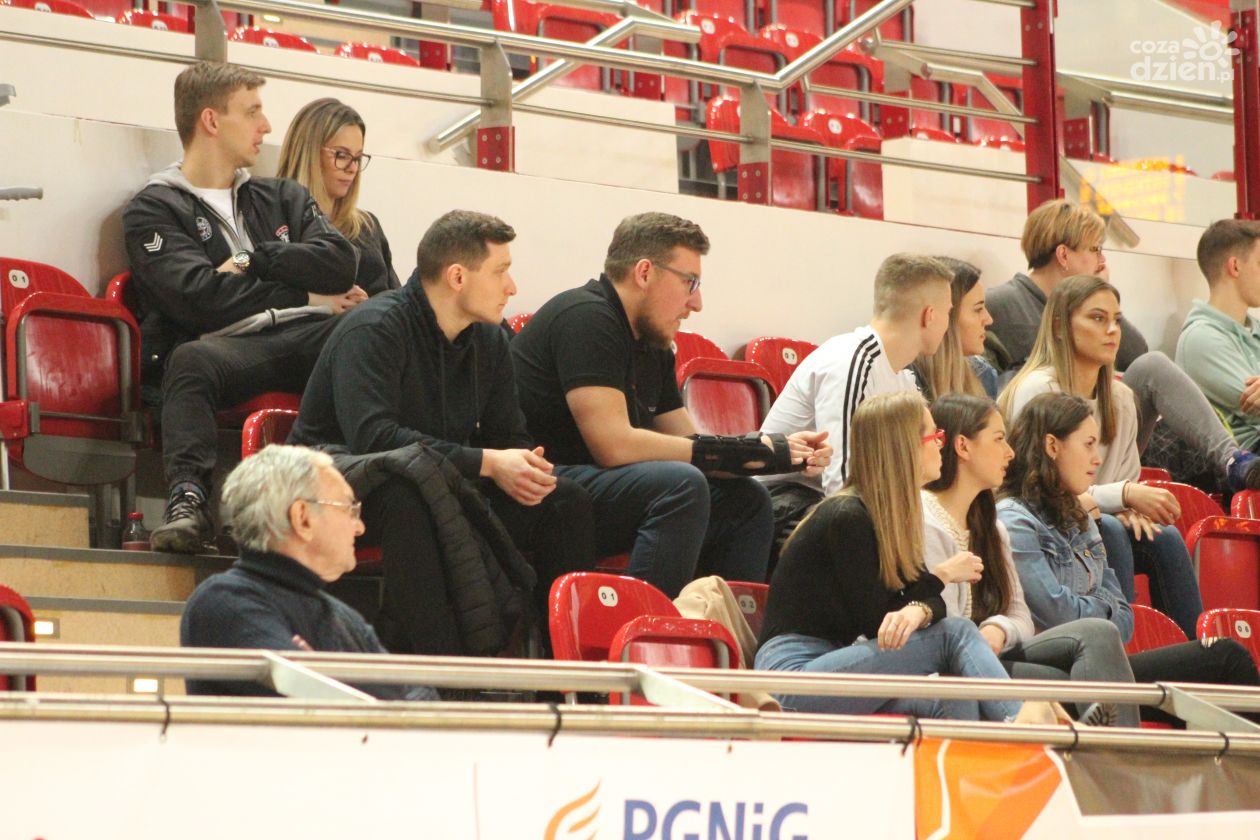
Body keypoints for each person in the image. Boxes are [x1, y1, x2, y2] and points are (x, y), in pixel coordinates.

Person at [288, 210, 596, 656]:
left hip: (435, 480)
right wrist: (489, 463)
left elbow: (509, 434)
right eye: (501, 272)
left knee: (564, 501)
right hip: (334, 485)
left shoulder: (490, 339)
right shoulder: (375, 327)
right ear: (457, 277)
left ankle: (563, 673)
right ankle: (442, 671)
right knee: (408, 496)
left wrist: (523, 465)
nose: (512, 288)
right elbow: (374, 440)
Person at [510, 212, 831, 597]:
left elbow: (691, 444)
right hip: (541, 489)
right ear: (644, 272)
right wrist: (744, 449)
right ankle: (646, 627)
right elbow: (613, 445)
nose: (696, 302)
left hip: (602, 490)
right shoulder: (586, 317)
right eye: (689, 282)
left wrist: (775, 453)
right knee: (681, 485)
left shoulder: (652, 341)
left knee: (746, 499)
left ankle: (725, 627)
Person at [123, 61, 362, 554]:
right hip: (229, 348)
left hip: (311, 337)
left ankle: (344, 498)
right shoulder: (155, 208)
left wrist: (254, 260)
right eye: (252, 112)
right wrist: (306, 295)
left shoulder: (282, 196)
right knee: (192, 361)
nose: (266, 126)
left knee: (373, 325)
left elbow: (340, 263)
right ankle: (189, 500)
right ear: (211, 121)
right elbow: (199, 299)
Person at [755, 391, 1041, 722]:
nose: (941, 445)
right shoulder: (847, 516)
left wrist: (920, 608)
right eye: (933, 436)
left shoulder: (891, 518)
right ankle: (1022, 726)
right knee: (956, 633)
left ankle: (982, 755)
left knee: (950, 698)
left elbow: (925, 604)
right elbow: (883, 624)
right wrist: (941, 577)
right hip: (792, 675)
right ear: (905, 447)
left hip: (837, 664)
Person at [997, 392, 1260, 726]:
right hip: (1051, 662)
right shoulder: (1015, 519)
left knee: (1222, 660)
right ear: (1052, 446)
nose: (1097, 459)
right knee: (1224, 660)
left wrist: (1100, 611)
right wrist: (1102, 608)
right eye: (1088, 445)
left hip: (1100, 662)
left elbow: (1124, 619)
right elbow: (1057, 613)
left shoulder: (1078, 516)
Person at [986, 199, 1260, 493]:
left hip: (1098, 425)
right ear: (1064, 255)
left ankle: (1233, 460)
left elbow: (1134, 353)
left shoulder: (1118, 391)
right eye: (1095, 249)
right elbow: (988, 386)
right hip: (1044, 441)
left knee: (1147, 370)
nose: (1101, 260)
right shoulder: (1001, 304)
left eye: (1113, 319)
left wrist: (1101, 293)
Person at [998, 275, 1203, 639]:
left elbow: (1124, 483)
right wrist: (1120, 496)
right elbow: (1032, 489)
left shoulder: (1121, 398)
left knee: (1165, 537)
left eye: (1116, 320)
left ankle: (1193, 651)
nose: (1112, 330)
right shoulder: (1037, 389)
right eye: (1097, 318)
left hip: (1088, 522)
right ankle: (1115, 652)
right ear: (1060, 327)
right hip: (1042, 527)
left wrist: (1125, 503)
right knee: (1108, 527)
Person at [924, 393, 1136, 726]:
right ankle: (1118, 753)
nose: (1010, 452)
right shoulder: (929, 520)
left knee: (1096, 650)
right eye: (999, 439)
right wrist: (1104, 606)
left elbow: (1020, 614)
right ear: (963, 446)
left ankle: (1113, 751)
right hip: (947, 668)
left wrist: (998, 628)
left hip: (995, 651)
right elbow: (945, 630)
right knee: (1094, 639)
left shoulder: (991, 526)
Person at [181, 444, 438, 701]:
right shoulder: (223, 602)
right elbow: (314, 696)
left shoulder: (343, 616)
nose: (359, 527)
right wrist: (333, 683)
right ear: (302, 518)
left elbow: (425, 696)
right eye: (349, 509)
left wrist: (326, 675)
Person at [758, 253, 954, 550]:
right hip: (786, 504)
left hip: (830, 502)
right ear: (930, 315)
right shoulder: (851, 361)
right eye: (948, 312)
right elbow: (842, 481)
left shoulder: (903, 377)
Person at [276, 97, 400, 297]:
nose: (352, 168)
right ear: (309, 154)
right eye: (341, 155)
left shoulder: (367, 226)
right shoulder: (272, 223)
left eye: (357, 158)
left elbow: (398, 303)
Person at [1177, 219, 1260, 452]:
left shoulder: (1253, 329)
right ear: (1235, 266)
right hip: (1248, 458)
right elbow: (1255, 408)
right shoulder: (1201, 338)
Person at [911, 257, 998, 400]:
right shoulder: (905, 379)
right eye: (978, 309)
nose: (988, 319)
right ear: (946, 314)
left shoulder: (983, 374)